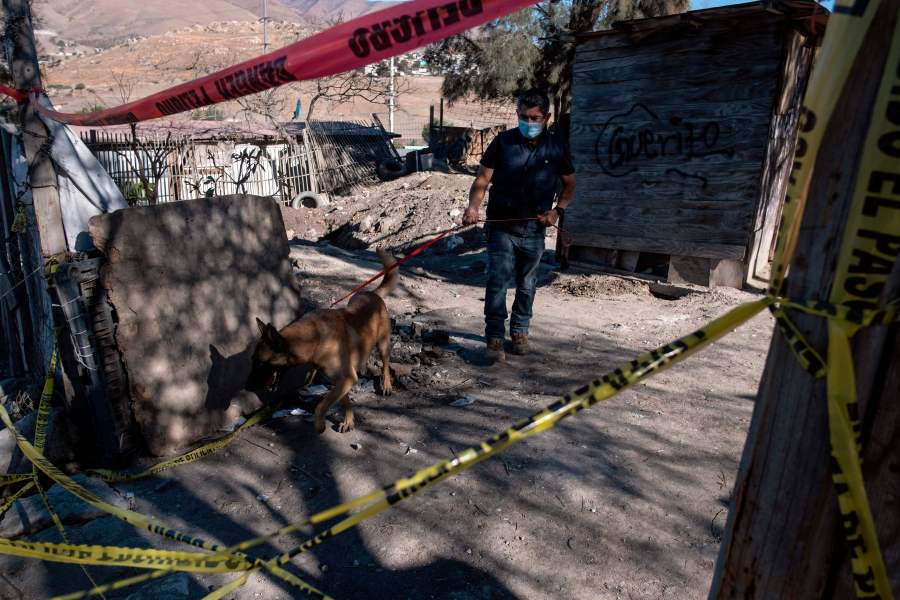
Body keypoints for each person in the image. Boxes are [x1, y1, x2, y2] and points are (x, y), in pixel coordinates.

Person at [462, 89, 576, 363]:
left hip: (534, 230)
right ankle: (494, 338)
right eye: (523, 116)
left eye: (535, 118)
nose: (529, 122)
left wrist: (557, 211)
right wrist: (473, 207)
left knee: (527, 283)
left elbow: (570, 182)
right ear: (517, 114)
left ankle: (520, 331)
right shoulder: (503, 143)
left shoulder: (556, 147)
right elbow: (482, 180)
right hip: (501, 227)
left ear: (547, 117)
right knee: (498, 280)